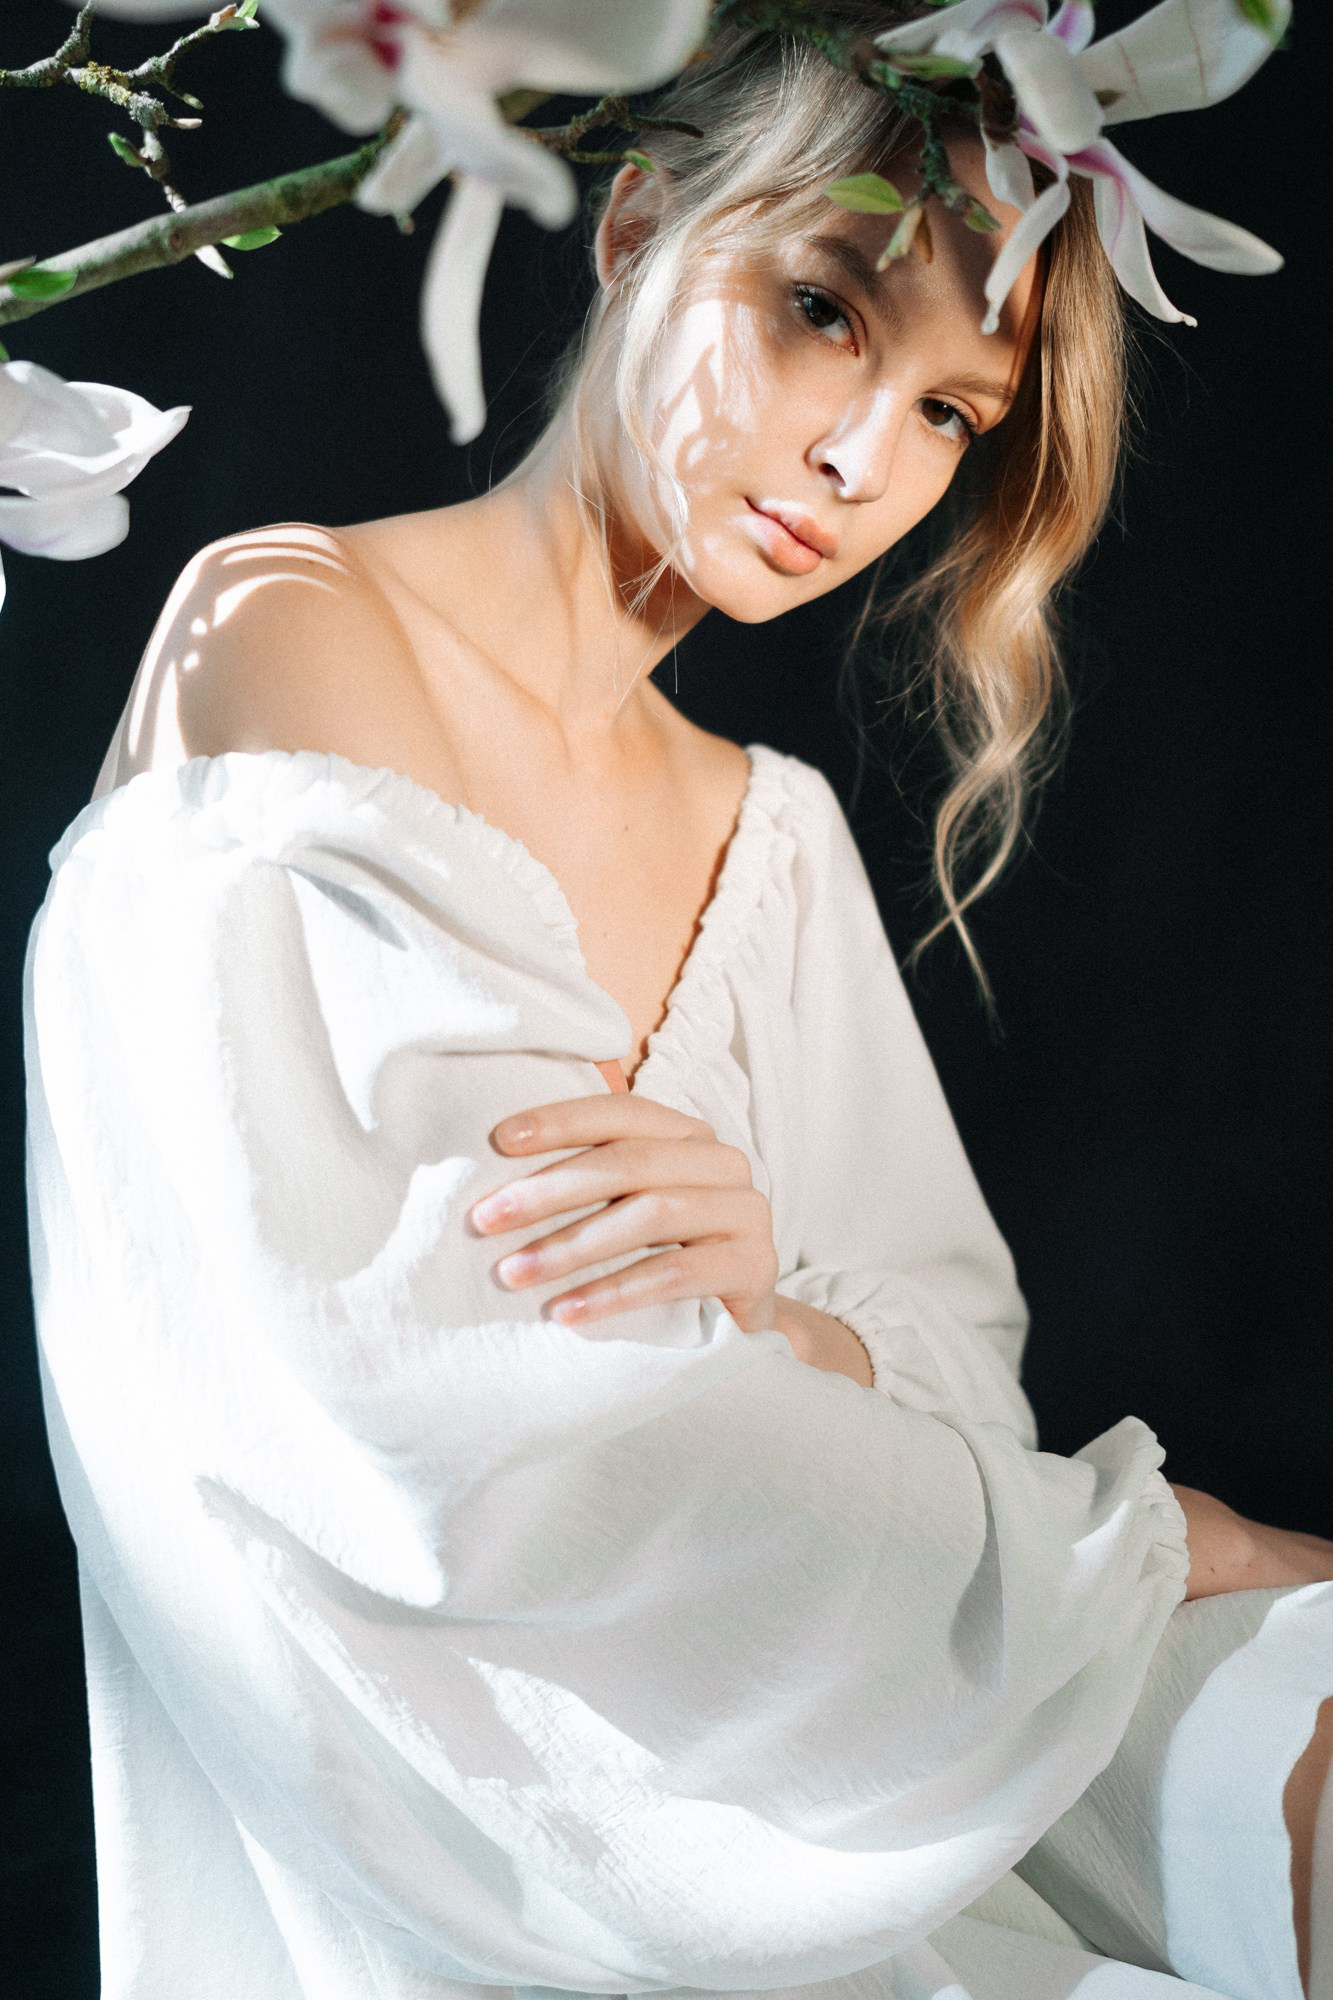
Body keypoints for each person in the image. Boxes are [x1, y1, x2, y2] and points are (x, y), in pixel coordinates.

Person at [21, 9, 1333, 1999]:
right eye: (822, 311)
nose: (858, 461)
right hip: (512, 1837)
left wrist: (778, 1320)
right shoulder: (283, 622)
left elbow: (942, 1371)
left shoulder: (770, 835)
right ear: (637, 224)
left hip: (838, 1726)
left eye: (948, 413)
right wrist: (1146, 1540)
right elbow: (458, 1427)